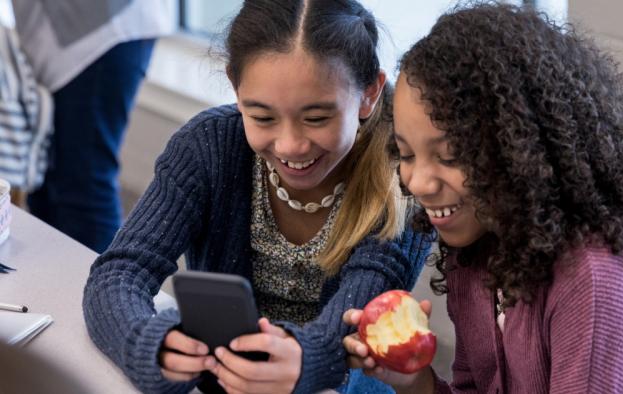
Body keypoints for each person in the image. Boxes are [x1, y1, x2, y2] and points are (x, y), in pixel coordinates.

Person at [343, 3, 623, 393]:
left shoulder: (599, 279)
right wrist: (414, 381)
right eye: (406, 154)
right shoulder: (480, 242)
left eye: (450, 156)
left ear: (521, 148)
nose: (419, 183)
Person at [83, 0, 430, 393]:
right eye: (263, 117)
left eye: (317, 118)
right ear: (235, 86)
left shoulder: (402, 176)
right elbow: (118, 273)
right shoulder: (208, 147)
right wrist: (149, 343)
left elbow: (354, 316)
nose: (290, 145)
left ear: (369, 94)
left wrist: (305, 360)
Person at [11, 0, 173, 252]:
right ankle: (50, 286)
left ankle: (103, 289)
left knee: (83, 186)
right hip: (72, 34)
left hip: (99, 32)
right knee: (50, 186)